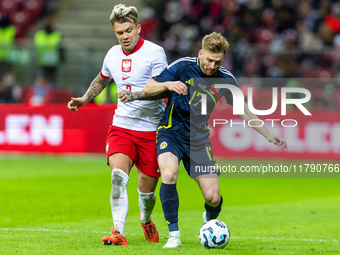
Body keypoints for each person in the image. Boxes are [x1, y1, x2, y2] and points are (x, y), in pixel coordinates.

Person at [117, 32, 288, 248]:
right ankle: (174, 235)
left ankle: (208, 219)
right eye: (208, 59)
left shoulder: (226, 79)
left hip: (198, 140)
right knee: (169, 173)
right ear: (201, 53)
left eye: (217, 61)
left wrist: (269, 134)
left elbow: (244, 111)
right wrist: (169, 85)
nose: (211, 65)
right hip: (171, 132)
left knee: (213, 197)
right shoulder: (182, 66)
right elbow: (150, 87)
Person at [67, 4, 168, 246]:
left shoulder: (155, 53)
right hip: (122, 126)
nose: (124, 36)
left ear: (139, 28)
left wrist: (135, 95)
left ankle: (145, 219)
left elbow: (162, 89)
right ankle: (118, 232)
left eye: (128, 30)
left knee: (147, 194)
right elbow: (102, 78)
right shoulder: (112, 54)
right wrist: (84, 98)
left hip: (151, 129)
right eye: (119, 32)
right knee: (118, 178)